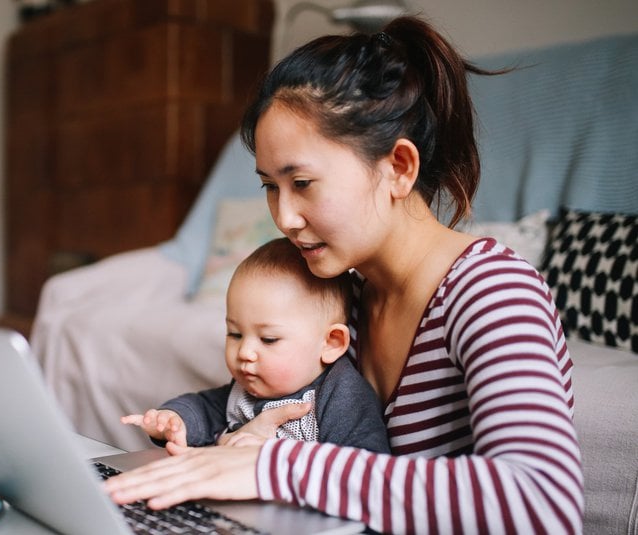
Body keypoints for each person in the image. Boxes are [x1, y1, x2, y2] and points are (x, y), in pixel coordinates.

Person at [105, 15, 583, 534]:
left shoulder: (492, 291)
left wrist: (278, 467)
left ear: (399, 167)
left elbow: (542, 502)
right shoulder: (341, 300)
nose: (283, 218)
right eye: (270, 186)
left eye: (303, 182)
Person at [122, 237, 389, 453]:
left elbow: (364, 467)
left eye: (268, 339)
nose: (245, 353)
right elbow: (205, 408)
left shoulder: (341, 396)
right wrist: (174, 420)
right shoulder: (246, 388)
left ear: (331, 343)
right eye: (235, 334)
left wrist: (276, 455)